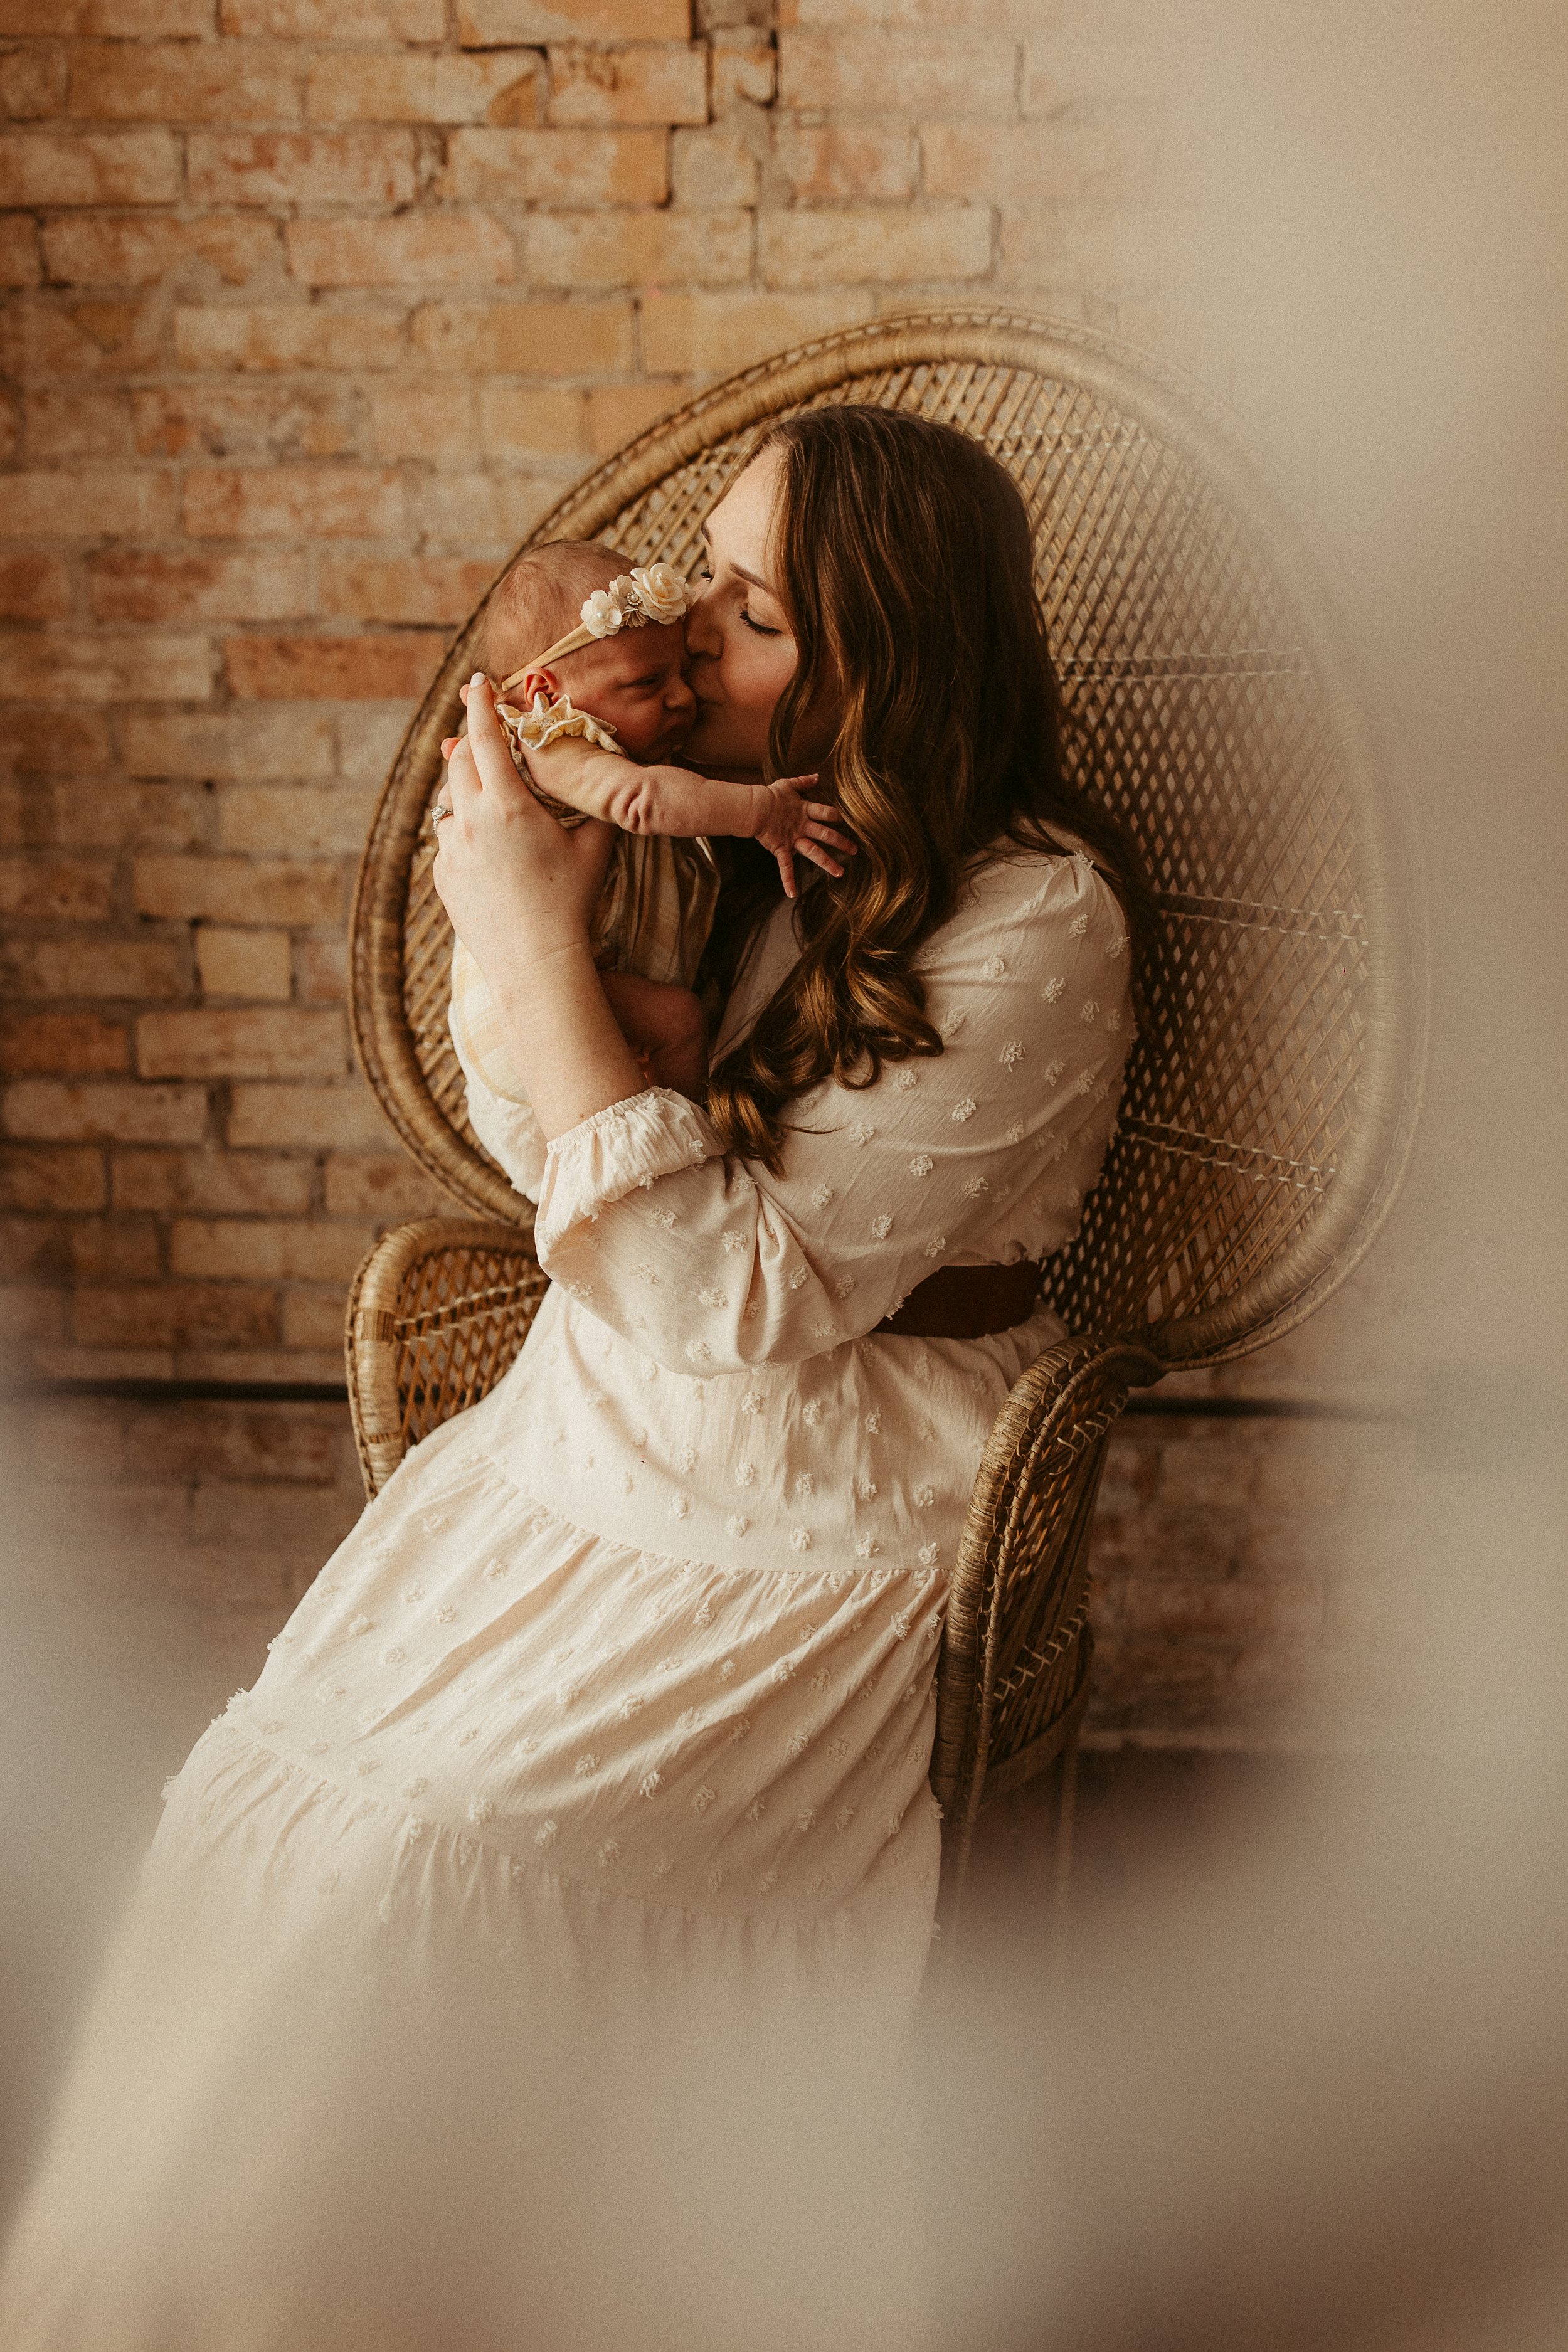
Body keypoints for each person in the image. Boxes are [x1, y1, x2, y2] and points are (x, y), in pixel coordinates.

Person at [0, 406, 1149, 2348]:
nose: (687, 628)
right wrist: (534, 908)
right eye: (704, 568)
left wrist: (538, 937)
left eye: (756, 609)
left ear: (887, 656)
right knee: (262, 1827)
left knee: (440, 1864)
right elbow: (557, 1161)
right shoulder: (701, 814)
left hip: (831, 1493)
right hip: (595, 1424)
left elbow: (745, 1298)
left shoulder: (1032, 915)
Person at [447, 538, 850, 1185]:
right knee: (682, 1021)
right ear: (545, 690)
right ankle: (687, 1157)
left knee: (695, 1010)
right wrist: (763, 812)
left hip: (578, 986)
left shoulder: (620, 739)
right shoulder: (549, 742)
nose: (682, 699)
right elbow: (639, 802)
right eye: (646, 683)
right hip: (524, 1006)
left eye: (678, 675)